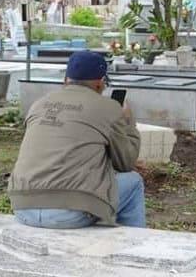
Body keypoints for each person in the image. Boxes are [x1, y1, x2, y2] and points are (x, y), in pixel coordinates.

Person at [8, 51, 145, 229]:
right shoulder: (108, 108)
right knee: (133, 181)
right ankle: (132, 248)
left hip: (22, 207)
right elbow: (126, 162)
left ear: (66, 79)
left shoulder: (39, 104)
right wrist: (128, 122)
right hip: (69, 213)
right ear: (100, 82)